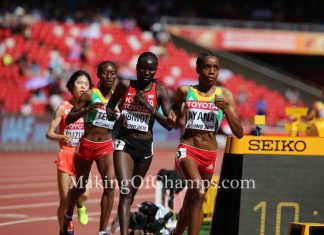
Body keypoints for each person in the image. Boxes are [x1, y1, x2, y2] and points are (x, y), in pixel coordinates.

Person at [168, 51, 244, 235]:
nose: (211, 71)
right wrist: (173, 113)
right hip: (187, 149)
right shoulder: (186, 91)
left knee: (192, 202)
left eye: (215, 68)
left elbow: (239, 132)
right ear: (198, 69)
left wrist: (226, 109)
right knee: (200, 193)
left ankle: (176, 233)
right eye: (207, 67)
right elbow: (174, 108)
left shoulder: (224, 95)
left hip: (209, 155)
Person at [106, 51, 175, 235]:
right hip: (124, 142)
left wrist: (150, 107)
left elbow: (169, 125)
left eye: (151, 69)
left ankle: (122, 215)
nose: (146, 72)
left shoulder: (159, 90)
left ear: (155, 71)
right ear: (136, 68)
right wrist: (111, 112)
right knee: (126, 191)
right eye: (143, 68)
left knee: (131, 193)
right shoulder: (124, 85)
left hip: (145, 147)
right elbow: (110, 107)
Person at [64, 61, 118, 235]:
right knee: (80, 186)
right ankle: (68, 216)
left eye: (112, 73)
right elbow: (69, 118)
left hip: (106, 145)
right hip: (87, 145)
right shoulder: (89, 94)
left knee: (110, 186)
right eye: (105, 73)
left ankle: (102, 231)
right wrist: (86, 110)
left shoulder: (118, 97)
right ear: (99, 75)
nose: (109, 77)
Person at [46, 70, 92, 235]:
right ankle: (64, 229)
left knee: (84, 194)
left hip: (83, 156)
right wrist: (60, 136)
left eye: (86, 84)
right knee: (65, 201)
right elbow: (49, 133)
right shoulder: (63, 108)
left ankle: (80, 205)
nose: (83, 86)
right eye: (80, 83)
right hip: (66, 154)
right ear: (72, 86)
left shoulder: (90, 109)